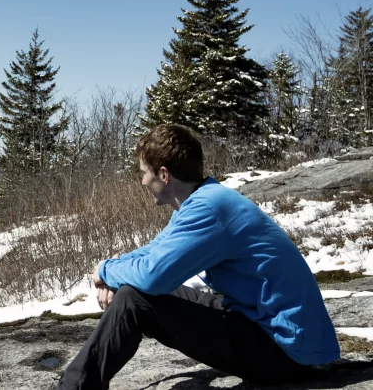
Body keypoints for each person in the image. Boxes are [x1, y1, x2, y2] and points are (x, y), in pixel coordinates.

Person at [56, 123, 339, 389]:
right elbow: (155, 252)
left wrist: (105, 271)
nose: (142, 181)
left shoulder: (209, 209)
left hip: (285, 350)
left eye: (145, 172)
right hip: (268, 329)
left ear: (163, 175)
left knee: (135, 299)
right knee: (140, 289)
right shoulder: (203, 200)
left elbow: (153, 277)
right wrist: (111, 269)